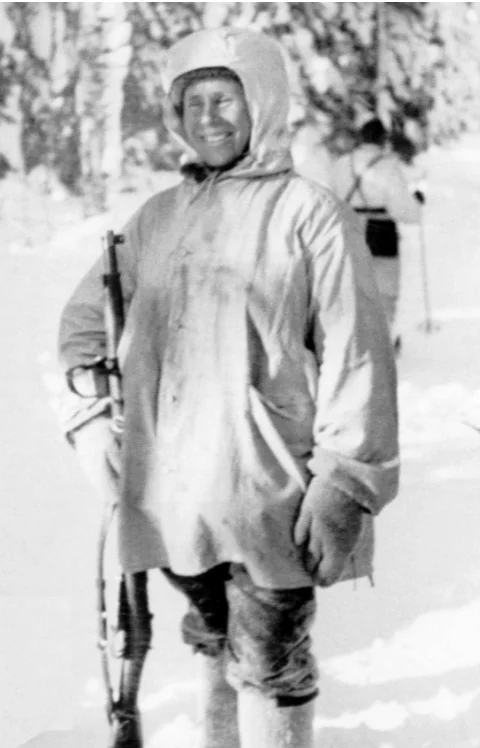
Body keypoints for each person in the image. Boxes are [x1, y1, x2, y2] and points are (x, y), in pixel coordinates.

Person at [58, 28, 399, 748]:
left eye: (226, 98)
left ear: (262, 103)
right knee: (213, 636)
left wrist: (345, 481)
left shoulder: (310, 213)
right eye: (194, 102)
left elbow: (358, 354)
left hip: (268, 490)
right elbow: (83, 322)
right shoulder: (156, 218)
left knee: (269, 660)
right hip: (175, 493)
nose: (208, 117)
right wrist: (89, 415)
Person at [331, 117, 422, 350]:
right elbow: (402, 208)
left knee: (352, 288)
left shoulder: (342, 163)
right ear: (383, 139)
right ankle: (382, 341)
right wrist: (416, 206)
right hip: (381, 231)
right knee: (385, 290)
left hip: (349, 229)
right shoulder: (388, 166)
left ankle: (354, 341)